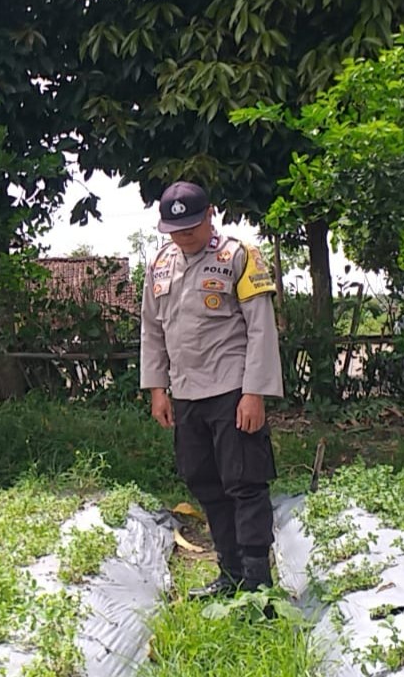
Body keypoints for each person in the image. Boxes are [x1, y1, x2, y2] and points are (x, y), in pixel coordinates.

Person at [140, 181, 283, 596]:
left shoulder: (239, 256)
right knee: (204, 481)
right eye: (174, 228)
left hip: (232, 390)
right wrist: (157, 389)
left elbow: (260, 329)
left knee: (245, 483)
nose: (182, 235)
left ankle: (258, 586)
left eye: (190, 226)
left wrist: (254, 392)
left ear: (210, 215)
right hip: (185, 394)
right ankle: (231, 574)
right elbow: (151, 330)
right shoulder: (161, 265)